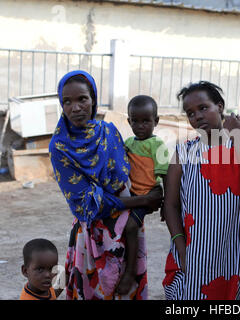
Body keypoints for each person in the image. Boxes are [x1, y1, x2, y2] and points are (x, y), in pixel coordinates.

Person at [49, 70, 163, 300]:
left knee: (127, 291)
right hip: (92, 233)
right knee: (95, 290)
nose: (76, 107)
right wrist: (143, 200)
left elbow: (129, 176)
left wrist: (152, 193)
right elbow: (86, 203)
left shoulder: (109, 132)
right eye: (67, 101)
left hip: (128, 227)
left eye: (82, 98)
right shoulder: (59, 147)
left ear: (93, 99)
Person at [162, 81, 240, 300]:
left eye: (203, 108)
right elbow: (171, 205)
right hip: (193, 254)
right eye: (190, 113)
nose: (197, 117)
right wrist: (181, 248)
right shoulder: (183, 152)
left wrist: (237, 137)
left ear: (220, 107)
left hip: (232, 255)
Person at [117, 95, 169, 293]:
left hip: (146, 196)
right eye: (135, 121)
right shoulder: (129, 142)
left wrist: (166, 205)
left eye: (146, 121)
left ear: (156, 121)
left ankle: (130, 273)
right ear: (129, 121)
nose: (140, 126)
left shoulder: (158, 146)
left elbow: (165, 176)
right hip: (130, 195)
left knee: (131, 227)